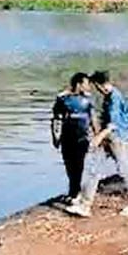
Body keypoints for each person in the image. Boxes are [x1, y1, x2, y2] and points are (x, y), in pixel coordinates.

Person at [67, 71, 128, 218]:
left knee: (123, 169)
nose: (96, 90)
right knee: (94, 169)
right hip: (107, 138)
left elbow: (112, 125)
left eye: (96, 86)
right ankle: (85, 205)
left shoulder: (114, 98)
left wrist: (98, 137)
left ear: (101, 85)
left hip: (115, 138)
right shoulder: (108, 96)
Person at [50, 73, 94, 206]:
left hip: (82, 138)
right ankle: (73, 192)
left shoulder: (88, 100)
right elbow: (56, 119)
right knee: (69, 166)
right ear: (79, 84)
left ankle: (76, 194)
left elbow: (93, 118)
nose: (88, 87)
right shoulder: (63, 99)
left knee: (79, 166)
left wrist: (97, 136)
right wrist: (55, 137)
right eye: (86, 84)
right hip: (67, 138)